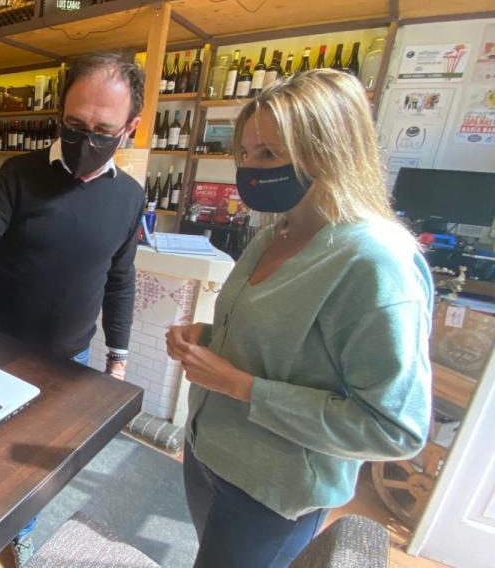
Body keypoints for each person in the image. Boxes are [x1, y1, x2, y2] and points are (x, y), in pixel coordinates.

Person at [167, 68, 432, 567]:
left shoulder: (376, 262)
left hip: (272, 492)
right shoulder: (274, 235)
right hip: (207, 456)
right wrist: (205, 337)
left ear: (329, 152)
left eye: (268, 154)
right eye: (244, 154)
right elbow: (281, 345)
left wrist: (241, 386)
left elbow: (393, 429)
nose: (249, 170)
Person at [0, 52, 146, 565]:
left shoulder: (130, 198)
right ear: (59, 114)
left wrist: (119, 358)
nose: (86, 139)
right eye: (73, 124)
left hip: (70, 361)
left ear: (129, 129)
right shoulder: (18, 174)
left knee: (35, 466)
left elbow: (120, 279)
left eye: (102, 130)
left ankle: (21, 530)